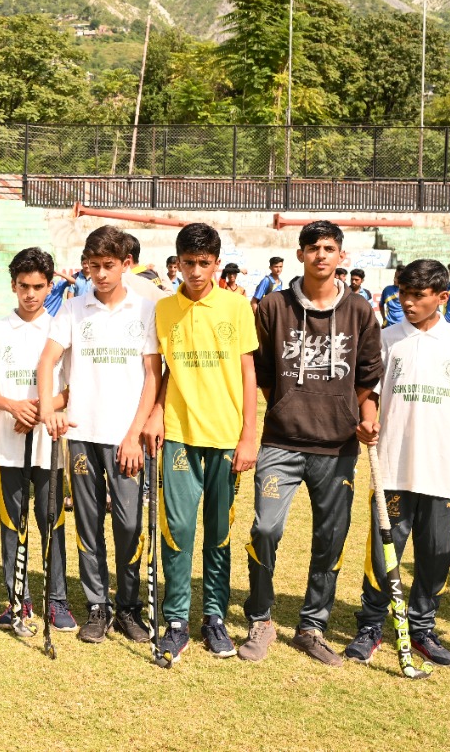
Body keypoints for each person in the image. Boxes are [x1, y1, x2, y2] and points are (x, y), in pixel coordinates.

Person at [238, 221, 382, 665]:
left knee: (330, 537)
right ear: (300, 254)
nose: (322, 255)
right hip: (281, 443)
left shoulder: (360, 310)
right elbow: (260, 373)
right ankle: (260, 618)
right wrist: (287, 405)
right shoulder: (273, 307)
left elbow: (368, 377)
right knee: (265, 529)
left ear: (342, 256)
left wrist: (365, 416)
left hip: (338, 449)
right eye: (313, 248)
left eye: (330, 248)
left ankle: (312, 626)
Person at [346, 258, 450, 667]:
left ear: (442, 297)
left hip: (443, 470)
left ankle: (423, 627)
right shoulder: (387, 339)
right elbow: (370, 393)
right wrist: (369, 419)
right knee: (383, 550)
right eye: (403, 294)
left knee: (436, 551)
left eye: (417, 295)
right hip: (392, 467)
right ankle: (371, 624)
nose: (407, 302)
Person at [38, 226, 161, 643]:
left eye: (109, 266)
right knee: (88, 524)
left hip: (125, 437)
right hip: (81, 433)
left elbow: (152, 376)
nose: (101, 274)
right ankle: (97, 606)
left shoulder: (146, 310)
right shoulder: (73, 308)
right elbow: (47, 362)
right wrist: (45, 408)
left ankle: (128, 607)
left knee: (129, 524)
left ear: (127, 265)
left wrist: (134, 435)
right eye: (93, 266)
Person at [148, 222, 258, 664]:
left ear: (216, 263)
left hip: (226, 437)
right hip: (178, 434)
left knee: (218, 533)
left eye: (204, 263)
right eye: (188, 263)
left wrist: (249, 435)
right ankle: (175, 621)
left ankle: (213, 616)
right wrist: (156, 412)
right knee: (177, 531)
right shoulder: (162, 309)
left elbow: (249, 373)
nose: (195, 272)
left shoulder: (236, 307)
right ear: (176, 263)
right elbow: (162, 371)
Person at [0, 247, 67, 633]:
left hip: (49, 442)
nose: (30, 294)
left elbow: (71, 388)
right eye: (23, 286)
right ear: (13, 285)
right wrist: (14, 406)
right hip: (8, 442)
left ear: (49, 286)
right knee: (11, 523)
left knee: (51, 521)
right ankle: (18, 599)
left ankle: (57, 600)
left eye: (38, 286)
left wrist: (40, 410)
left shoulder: (60, 328)